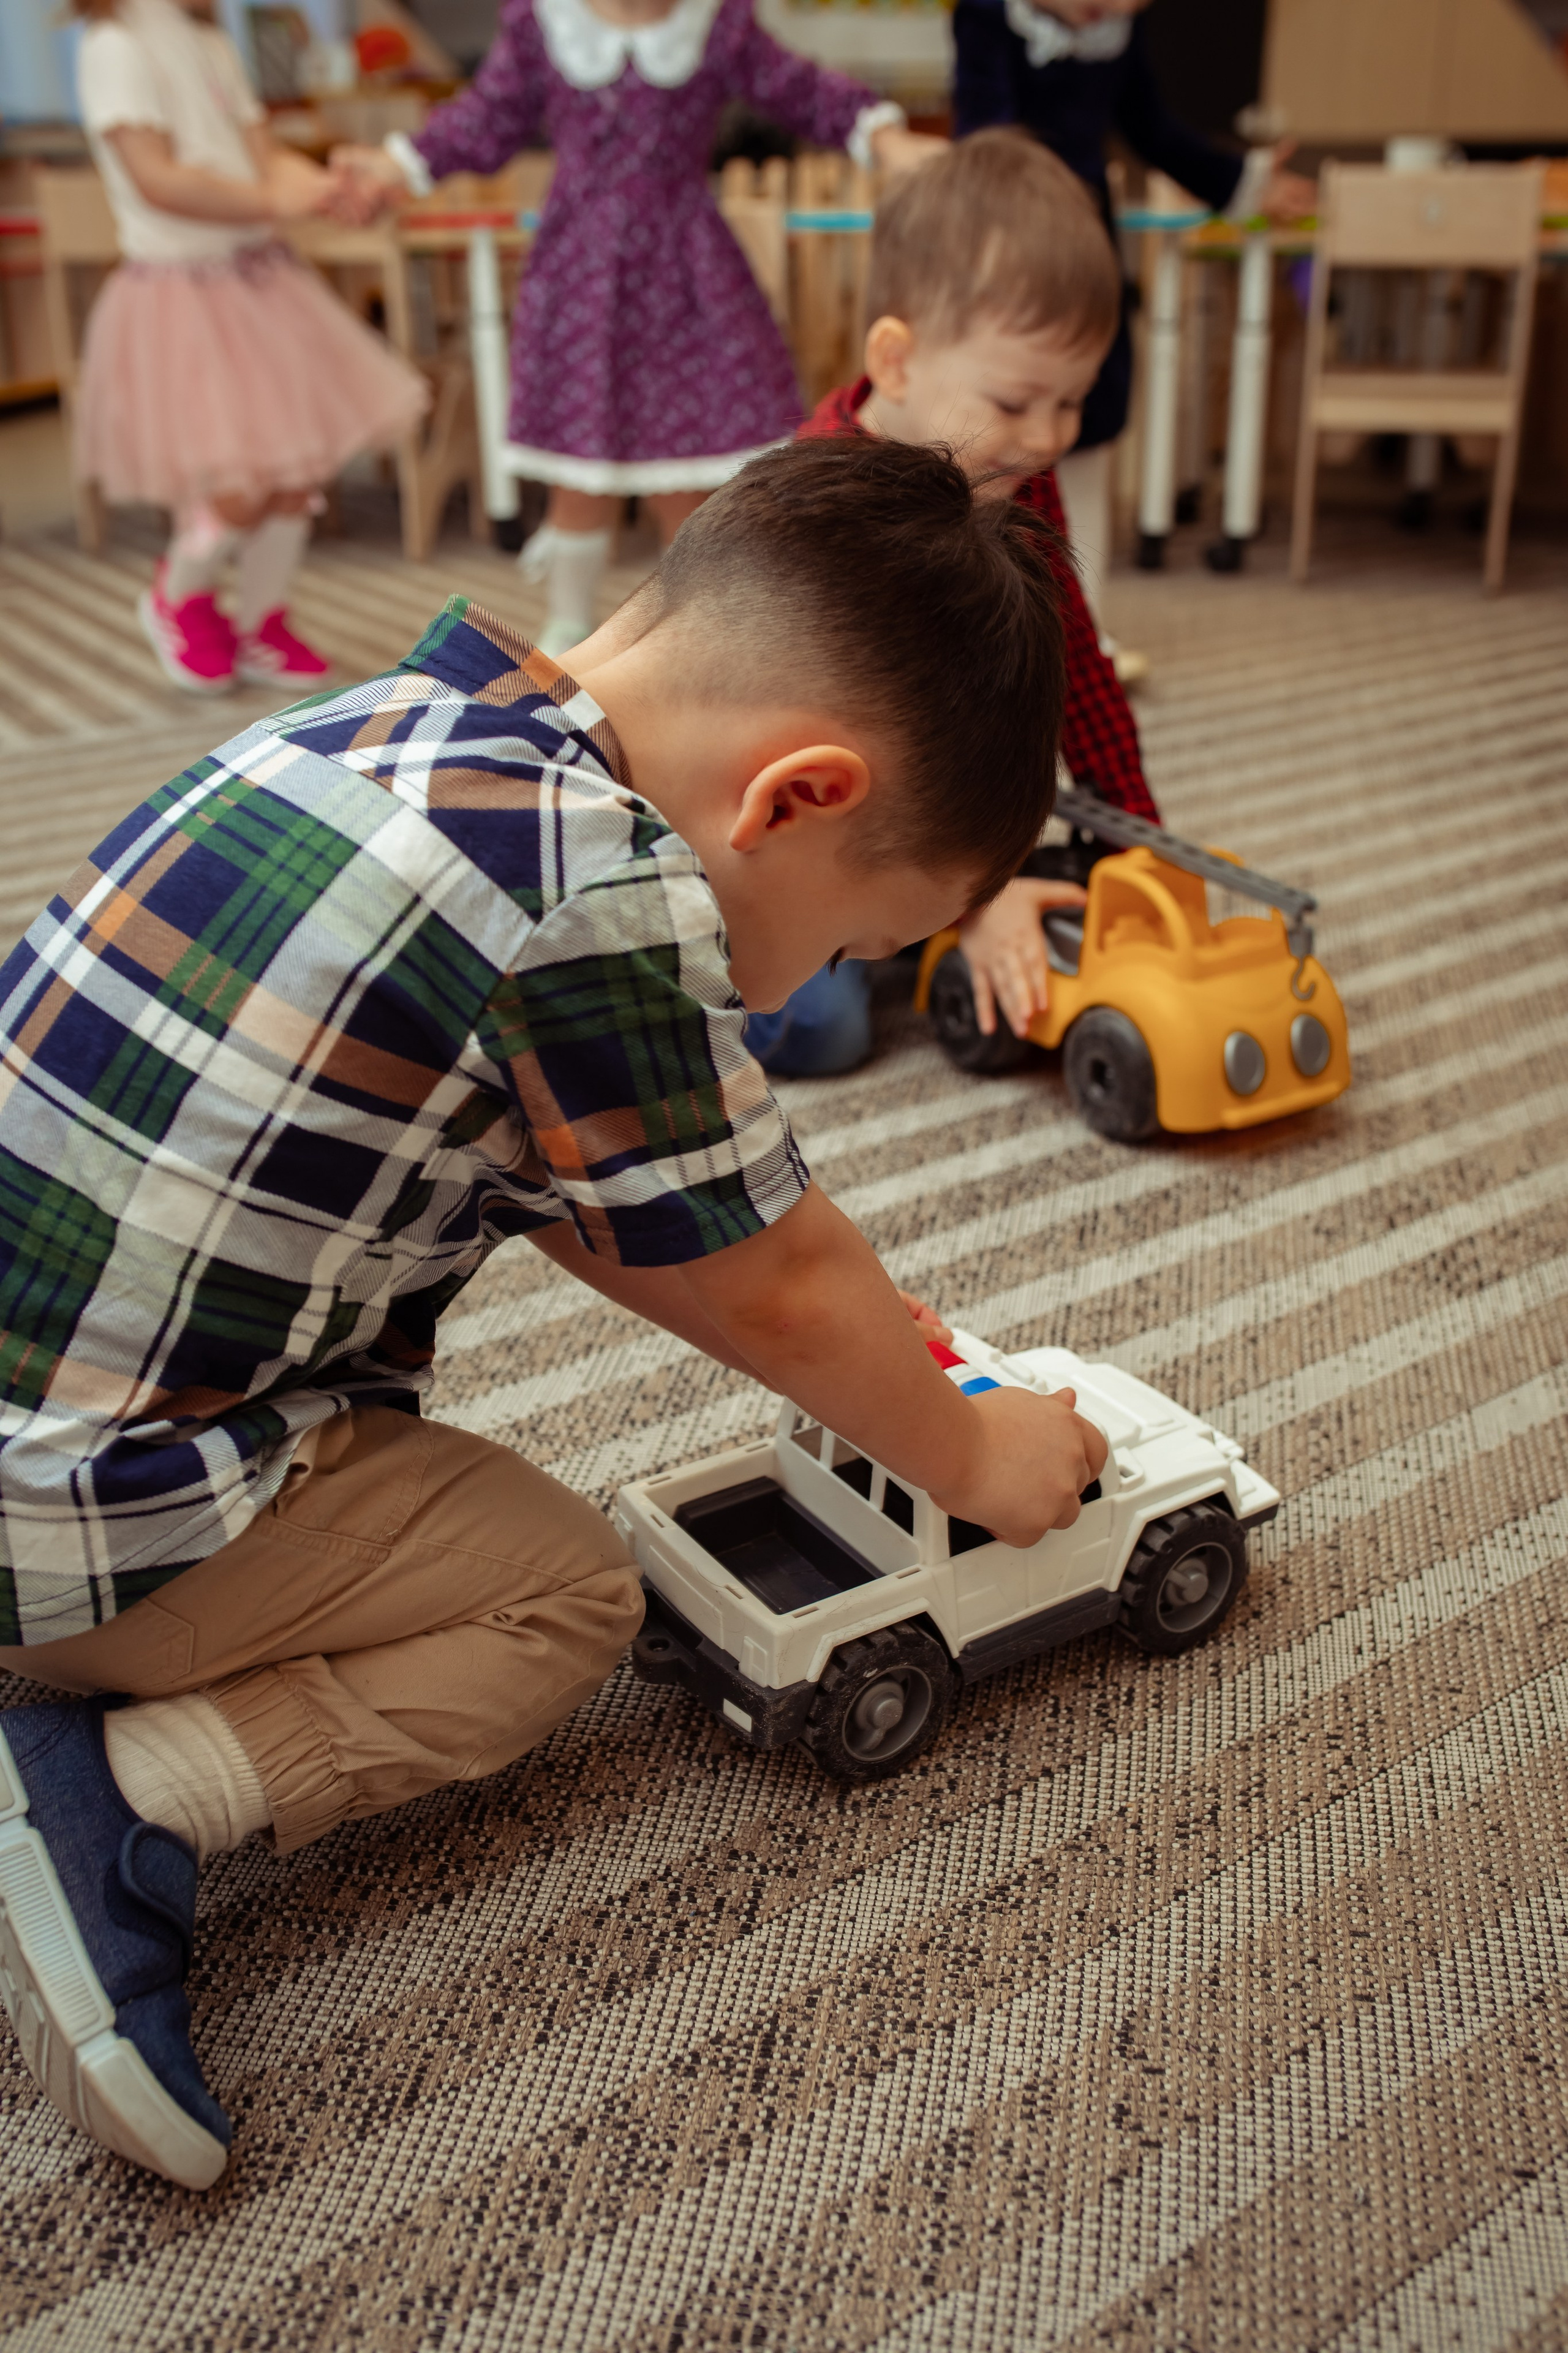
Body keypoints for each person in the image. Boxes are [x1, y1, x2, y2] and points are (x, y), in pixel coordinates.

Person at [0, 437, 1107, 2189]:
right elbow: (780, 1282)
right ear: (796, 800)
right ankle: (117, 1792)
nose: (813, 990)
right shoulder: (596, 889)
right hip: (66, 1522)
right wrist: (973, 1449)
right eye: (846, 946)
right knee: (562, 1590)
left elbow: (630, 1215)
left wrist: (823, 1298)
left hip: (36, 1395)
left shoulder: (393, 728)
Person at [332, 0, 940, 658]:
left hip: (688, 270)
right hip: (583, 272)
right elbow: (485, 117)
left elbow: (802, 90)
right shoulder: (547, 23)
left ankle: (692, 631)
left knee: (688, 465)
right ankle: (566, 630)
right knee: (580, 467)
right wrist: (395, 167)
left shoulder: (715, 23)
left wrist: (886, 139)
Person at [752, 129, 1157, 1078]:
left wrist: (1135, 838)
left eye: (1075, 404)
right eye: (1018, 402)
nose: (1051, 437)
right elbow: (853, 745)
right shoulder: (825, 510)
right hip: (797, 823)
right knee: (824, 1032)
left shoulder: (1008, 474)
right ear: (896, 360)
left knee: (1087, 902)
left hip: (914, 821)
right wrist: (977, 895)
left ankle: (914, 919)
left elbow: (1075, 672)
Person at [70, 0, 428, 695]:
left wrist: (324, 188)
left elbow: (265, 155)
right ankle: (182, 594)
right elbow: (160, 180)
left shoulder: (209, 39)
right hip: (180, 296)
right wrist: (274, 201)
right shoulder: (114, 43)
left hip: (258, 281)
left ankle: (263, 619)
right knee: (239, 486)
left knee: (296, 476)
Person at [951, 0, 1314, 667]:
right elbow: (984, 131)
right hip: (1005, 245)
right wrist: (1024, 219)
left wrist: (1243, 180)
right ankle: (992, 627)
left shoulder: (1117, 31)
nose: (1112, 11)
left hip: (1089, 245)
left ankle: (1082, 630)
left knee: (1088, 423)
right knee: (995, 441)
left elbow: (1153, 129)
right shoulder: (988, 15)